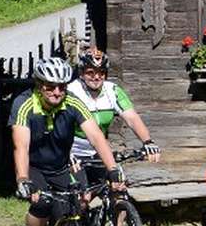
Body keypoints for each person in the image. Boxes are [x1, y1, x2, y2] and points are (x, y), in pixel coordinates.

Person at [10, 56, 122, 226]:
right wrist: (23, 180)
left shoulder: (72, 102)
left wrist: (112, 168)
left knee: (78, 206)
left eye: (61, 86)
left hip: (61, 167)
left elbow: (96, 136)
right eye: (50, 87)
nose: (57, 92)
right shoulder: (24, 104)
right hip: (35, 168)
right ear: (39, 85)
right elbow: (20, 146)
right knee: (41, 204)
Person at [67, 48, 161, 180]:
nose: (96, 77)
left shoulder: (112, 90)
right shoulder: (71, 92)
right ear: (81, 73)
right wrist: (64, 154)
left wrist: (148, 141)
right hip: (73, 152)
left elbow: (132, 118)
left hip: (100, 150)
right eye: (90, 72)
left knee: (118, 186)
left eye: (101, 72)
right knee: (83, 196)